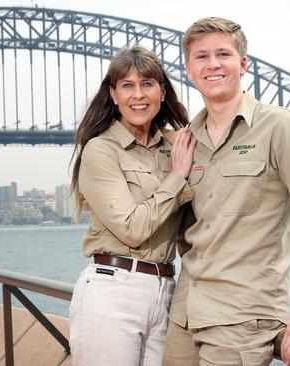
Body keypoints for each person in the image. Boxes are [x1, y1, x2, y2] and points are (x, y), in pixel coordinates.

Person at [162, 17, 290, 366]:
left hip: (242, 317)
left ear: (243, 64)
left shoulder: (280, 126)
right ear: (188, 69)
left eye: (223, 54)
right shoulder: (186, 141)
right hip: (185, 313)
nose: (212, 64)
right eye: (201, 57)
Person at [69, 46, 197, 366]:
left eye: (147, 84)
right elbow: (132, 228)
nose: (137, 95)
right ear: (113, 94)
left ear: (162, 92)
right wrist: (177, 176)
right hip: (114, 290)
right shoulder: (101, 151)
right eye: (127, 85)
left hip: (166, 289)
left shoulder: (176, 145)